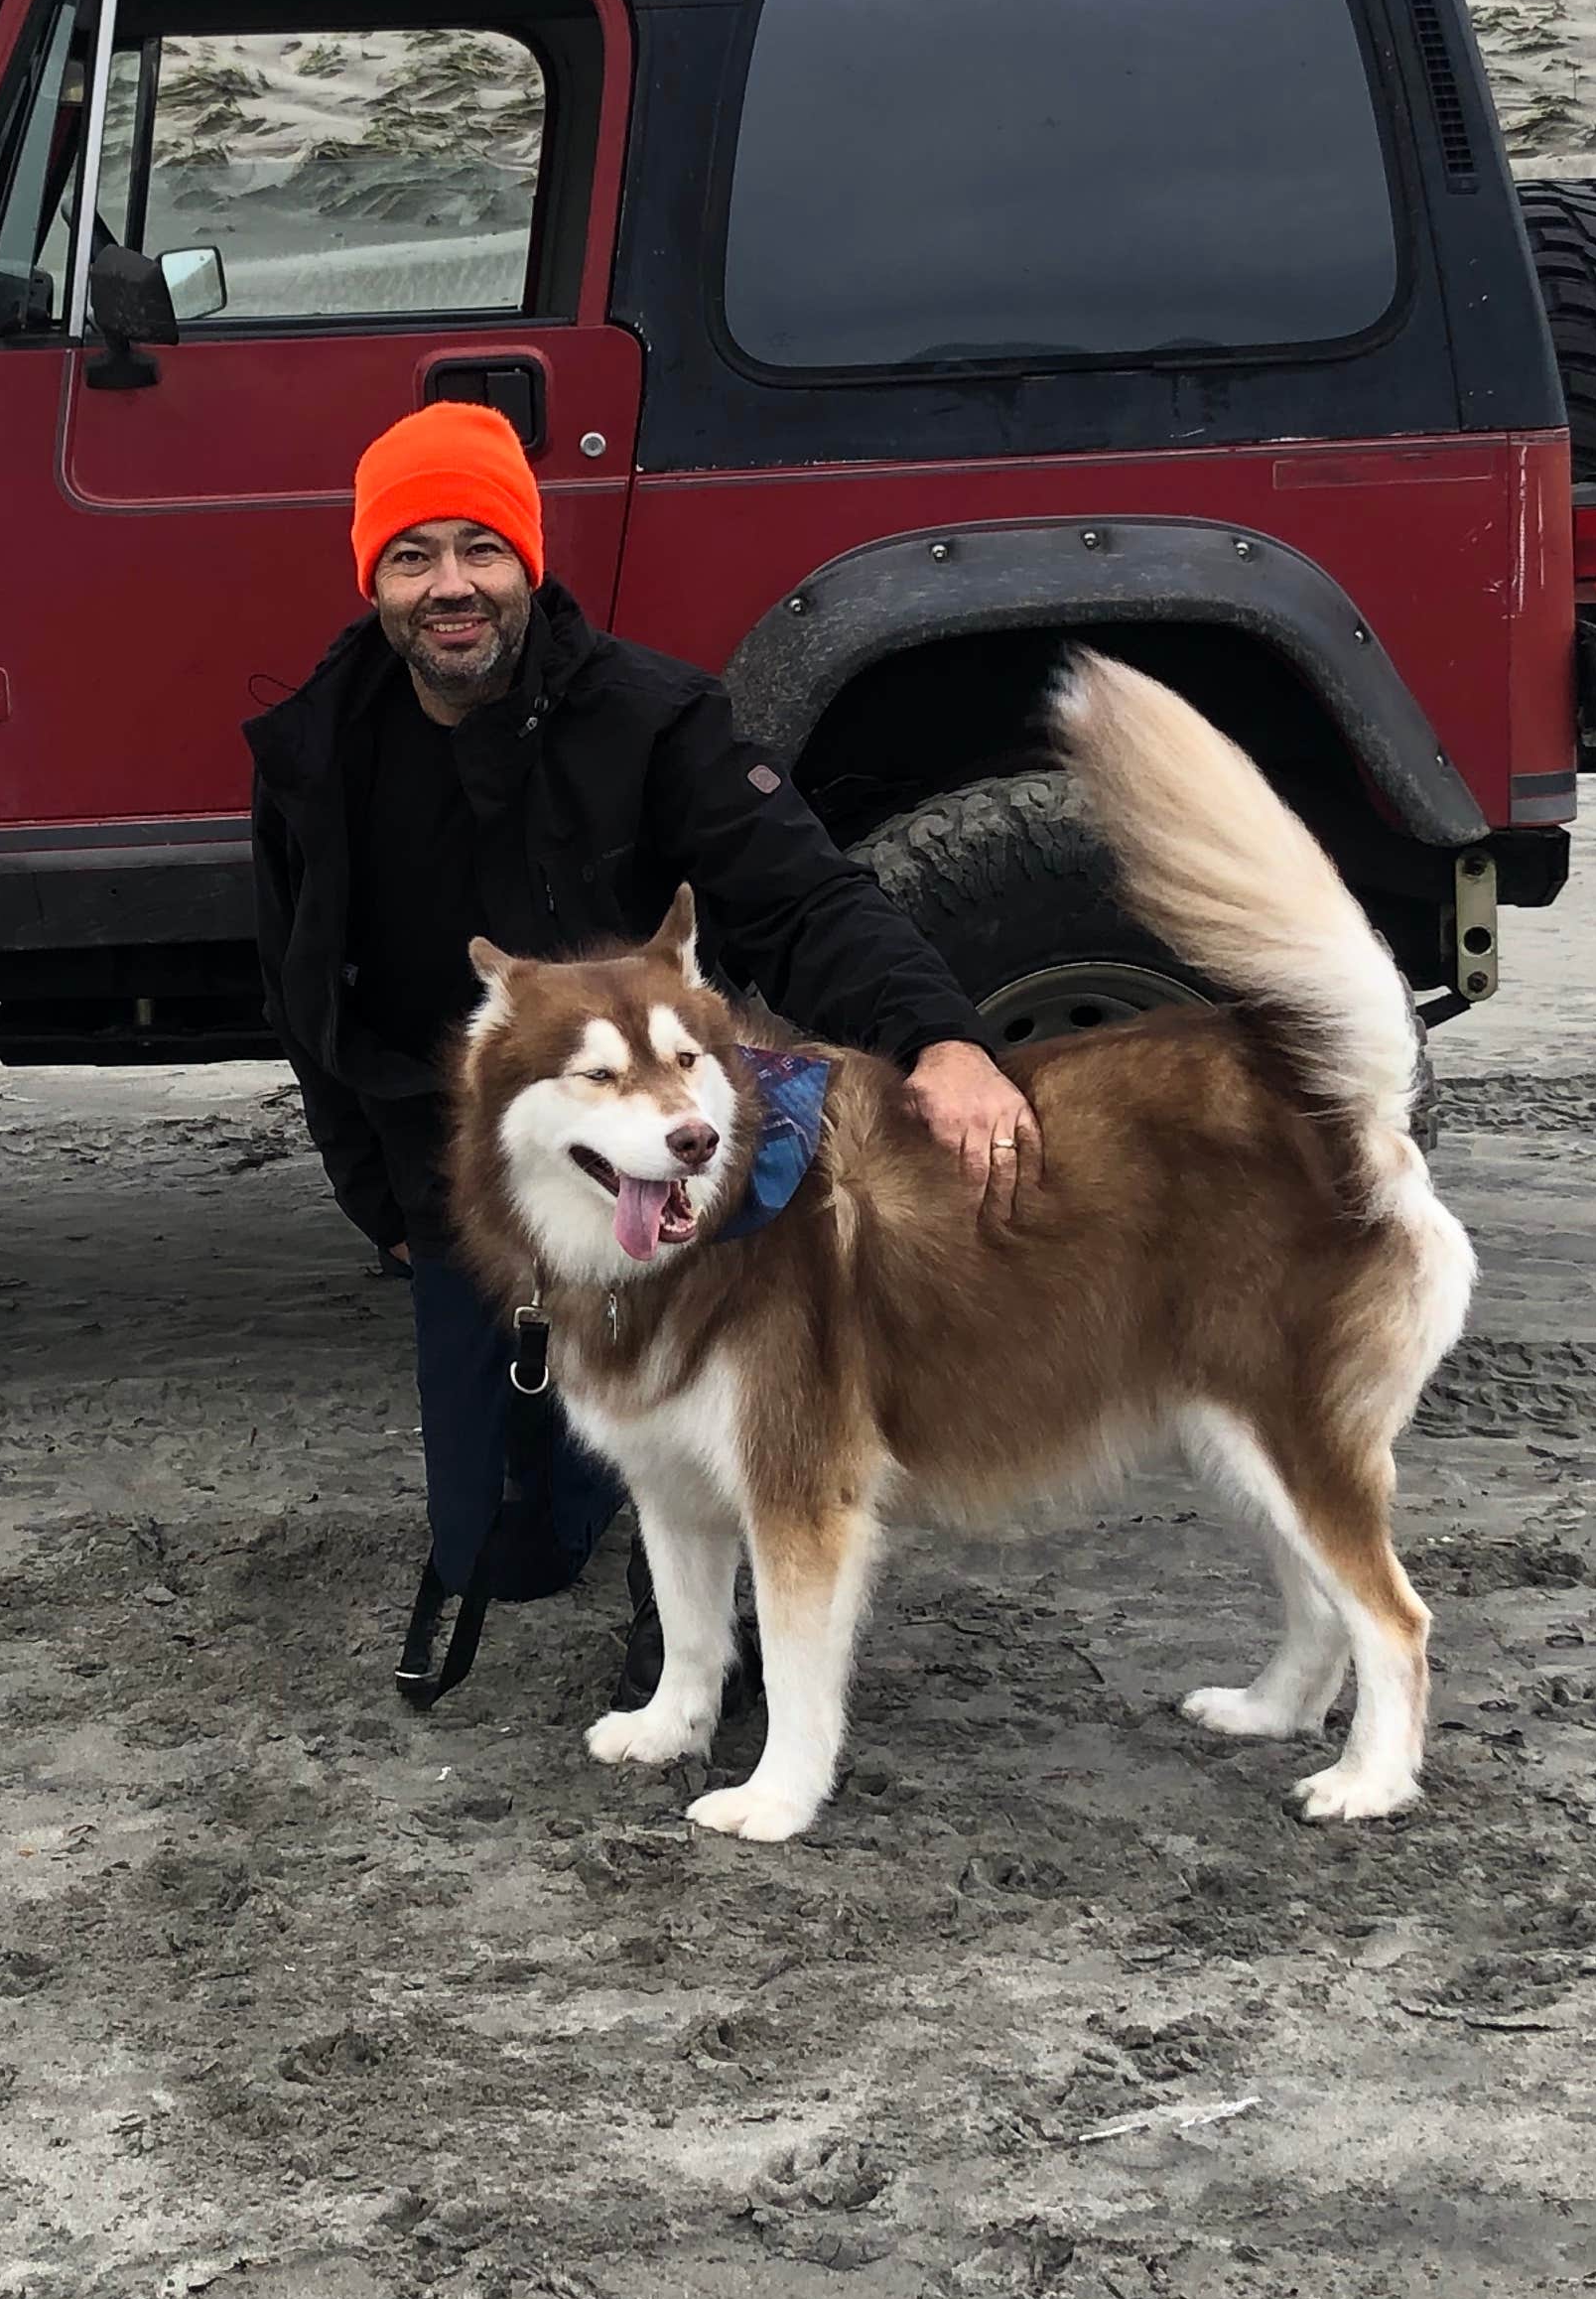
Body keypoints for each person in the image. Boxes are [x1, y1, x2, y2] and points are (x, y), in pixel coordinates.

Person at [245, 401, 1040, 1705]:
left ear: (529, 560)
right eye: (414, 555)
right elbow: (302, 1004)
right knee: (502, 1546)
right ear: (373, 580)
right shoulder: (314, 756)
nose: (452, 585)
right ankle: (588, 1457)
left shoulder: (656, 720)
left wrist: (941, 1038)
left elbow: (805, 901)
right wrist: (382, 1200)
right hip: (488, 1178)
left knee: (705, 1425)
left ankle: (693, 1629)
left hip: (670, 1168)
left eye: (483, 548)